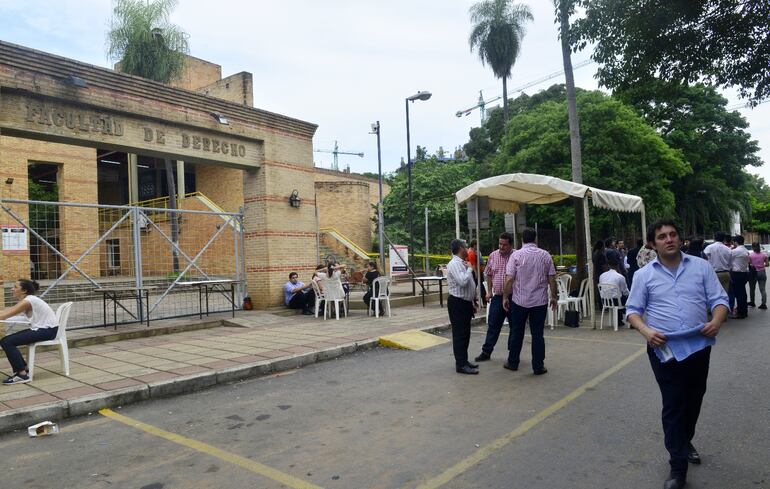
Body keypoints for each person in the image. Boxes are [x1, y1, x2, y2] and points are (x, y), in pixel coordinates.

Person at [626, 219, 728, 489]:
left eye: (673, 234)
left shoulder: (701, 267)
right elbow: (633, 311)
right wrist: (646, 331)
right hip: (663, 349)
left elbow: (719, 300)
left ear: (680, 239)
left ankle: (685, 440)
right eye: (662, 237)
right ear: (653, 244)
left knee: (694, 399)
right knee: (673, 403)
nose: (669, 239)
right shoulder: (643, 275)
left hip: (698, 346)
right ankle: (678, 468)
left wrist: (716, 321)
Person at [502, 228, 557, 375]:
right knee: (537, 334)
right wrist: (554, 297)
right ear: (535, 239)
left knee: (517, 332)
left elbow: (509, 279)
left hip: (519, 301)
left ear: (522, 240)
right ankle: (538, 366)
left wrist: (505, 297)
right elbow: (552, 278)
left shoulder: (516, 256)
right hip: (540, 302)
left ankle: (513, 362)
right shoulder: (545, 255)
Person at [0, 279, 59, 385]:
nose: (12, 289)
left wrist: (4, 316)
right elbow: (6, 313)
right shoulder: (29, 299)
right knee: (7, 340)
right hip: (45, 329)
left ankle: (22, 374)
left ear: (24, 290)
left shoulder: (28, 301)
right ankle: (24, 368)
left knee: (7, 341)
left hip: (47, 331)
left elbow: (4, 315)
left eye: (15, 287)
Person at [474, 232, 514, 362]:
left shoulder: (516, 256)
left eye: (504, 245)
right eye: (500, 244)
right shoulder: (493, 255)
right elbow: (489, 274)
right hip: (498, 296)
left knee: (515, 326)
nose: (501, 247)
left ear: (510, 245)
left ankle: (513, 354)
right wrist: (489, 291)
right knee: (493, 325)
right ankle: (486, 352)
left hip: (513, 297)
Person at [446, 239, 479, 375]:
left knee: (465, 334)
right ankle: (460, 364)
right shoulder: (454, 264)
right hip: (457, 303)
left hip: (465, 303)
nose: (467, 250)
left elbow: (469, 283)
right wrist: (470, 268)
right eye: (465, 247)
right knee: (460, 334)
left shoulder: (462, 263)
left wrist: (473, 300)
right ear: (460, 248)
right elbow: (463, 281)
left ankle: (464, 361)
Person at [599, 257, 629, 326]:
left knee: (618, 295)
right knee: (625, 297)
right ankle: (624, 318)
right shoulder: (620, 277)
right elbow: (625, 291)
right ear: (617, 266)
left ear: (609, 265)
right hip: (615, 301)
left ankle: (619, 319)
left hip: (604, 300)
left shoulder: (602, 275)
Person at [729, 235, 750, 319]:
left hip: (737, 274)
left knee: (738, 294)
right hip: (744, 273)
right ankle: (744, 311)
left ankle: (741, 313)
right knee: (743, 293)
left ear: (736, 242)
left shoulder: (735, 251)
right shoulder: (745, 250)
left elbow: (729, 261)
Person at [748, 242, 768, 309]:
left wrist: (754, 265)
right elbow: (767, 264)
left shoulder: (750, 255)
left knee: (752, 289)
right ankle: (763, 304)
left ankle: (752, 302)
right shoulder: (764, 255)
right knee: (763, 289)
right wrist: (761, 265)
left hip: (753, 273)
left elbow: (749, 264)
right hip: (762, 272)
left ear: (753, 247)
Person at [467, 239, 486, 305]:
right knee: (477, 286)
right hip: (476, 272)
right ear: (474, 245)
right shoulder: (471, 253)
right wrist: (476, 273)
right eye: (477, 245)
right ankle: (476, 301)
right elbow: (473, 264)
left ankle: (479, 301)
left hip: (478, 271)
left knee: (479, 286)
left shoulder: (476, 252)